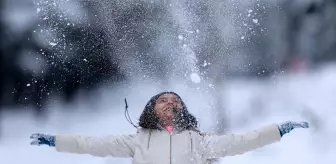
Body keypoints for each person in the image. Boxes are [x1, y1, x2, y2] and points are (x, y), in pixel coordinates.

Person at [30, 91, 309, 164]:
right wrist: (55, 141)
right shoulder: (137, 141)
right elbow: (90, 144)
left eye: (175, 100)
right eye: (162, 100)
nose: (169, 103)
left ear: (183, 109)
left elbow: (244, 141)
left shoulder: (199, 141)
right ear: (151, 109)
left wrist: (279, 130)